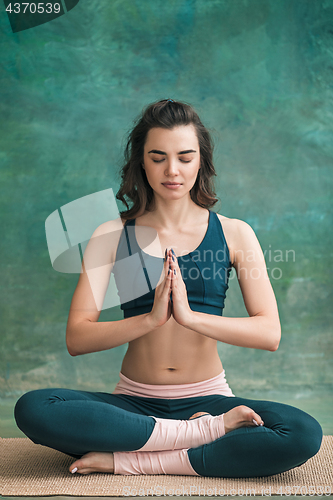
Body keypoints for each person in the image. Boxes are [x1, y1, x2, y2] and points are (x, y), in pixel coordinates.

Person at [15, 99, 322, 478]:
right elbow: (77, 338)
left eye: (185, 157)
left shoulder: (235, 233)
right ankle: (200, 435)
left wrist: (191, 317)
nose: (172, 170)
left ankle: (132, 459)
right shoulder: (111, 235)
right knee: (33, 408)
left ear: (201, 162)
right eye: (157, 157)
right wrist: (151, 319)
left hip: (210, 400)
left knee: (303, 433)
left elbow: (269, 332)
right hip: (132, 405)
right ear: (141, 161)